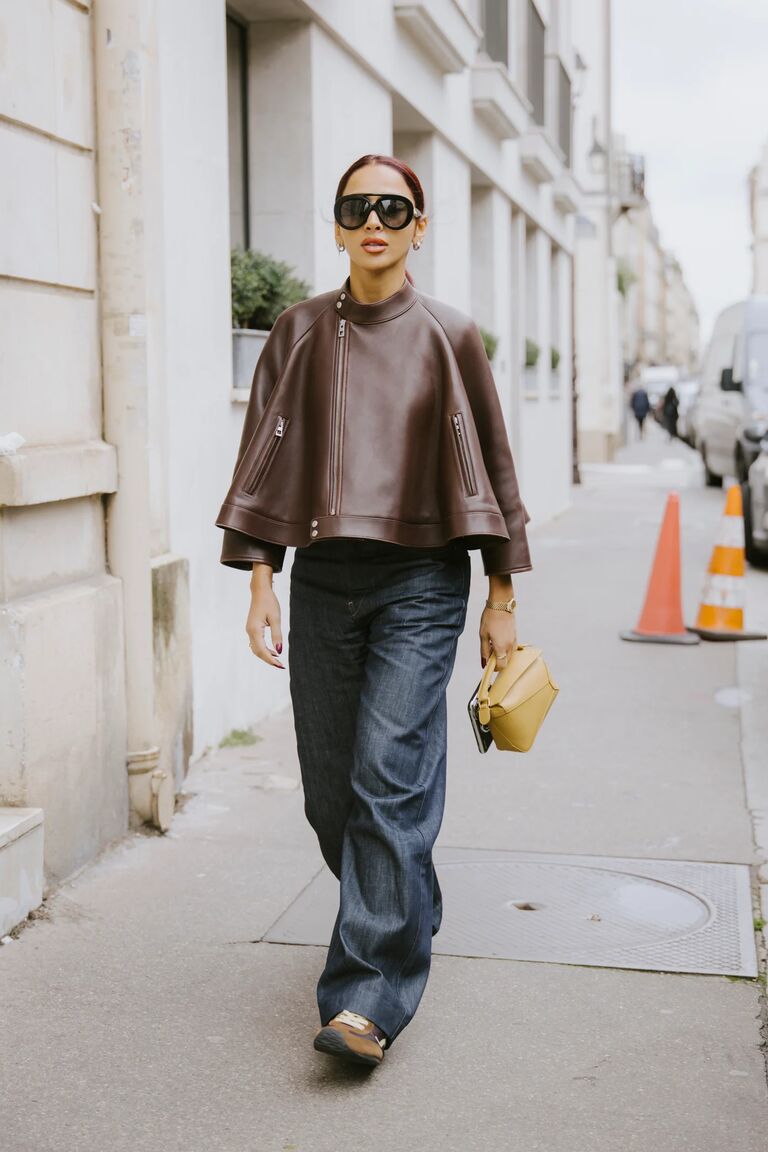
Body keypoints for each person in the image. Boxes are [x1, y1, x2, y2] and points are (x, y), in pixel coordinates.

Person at [215, 154, 532, 1067]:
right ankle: (406, 911)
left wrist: (500, 594)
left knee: (388, 776)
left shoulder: (451, 335)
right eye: (357, 207)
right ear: (340, 224)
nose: (375, 221)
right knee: (331, 793)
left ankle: (366, 1001)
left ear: (420, 226)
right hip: (321, 580)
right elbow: (265, 450)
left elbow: (495, 470)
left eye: (393, 207)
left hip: (422, 583)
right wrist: (260, 576)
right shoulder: (301, 329)